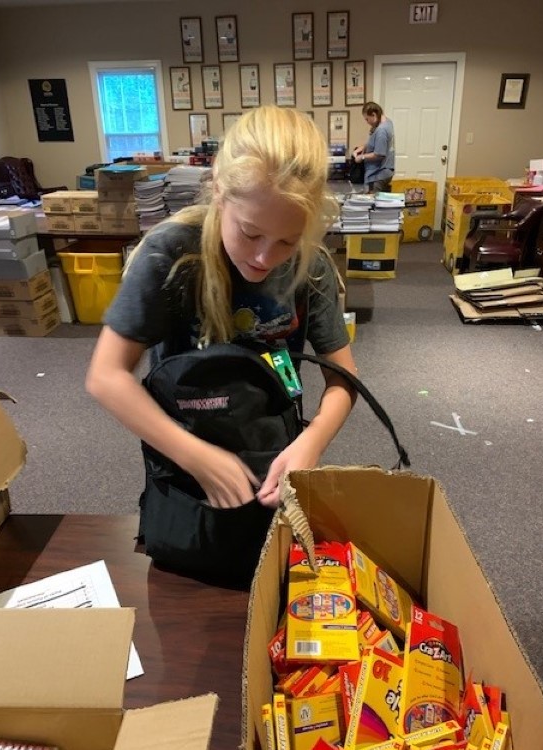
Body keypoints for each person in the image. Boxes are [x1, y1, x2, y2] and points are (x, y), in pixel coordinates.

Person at [86, 105, 357, 516]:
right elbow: (106, 376)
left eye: (288, 242)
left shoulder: (311, 265)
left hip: (274, 451)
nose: (266, 257)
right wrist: (197, 457)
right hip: (186, 459)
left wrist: (313, 440)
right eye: (250, 233)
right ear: (218, 191)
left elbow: (345, 378)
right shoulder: (172, 254)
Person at [353, 102, 395, 193]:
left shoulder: (381, 131)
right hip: (385, 172)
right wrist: (363, 147)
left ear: (374, 115)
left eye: (367, 119)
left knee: (371, 203)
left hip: (378, 174)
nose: (367, 122)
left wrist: (362, 157)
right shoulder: (387, 122)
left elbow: (379, 154)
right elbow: (378, 143)